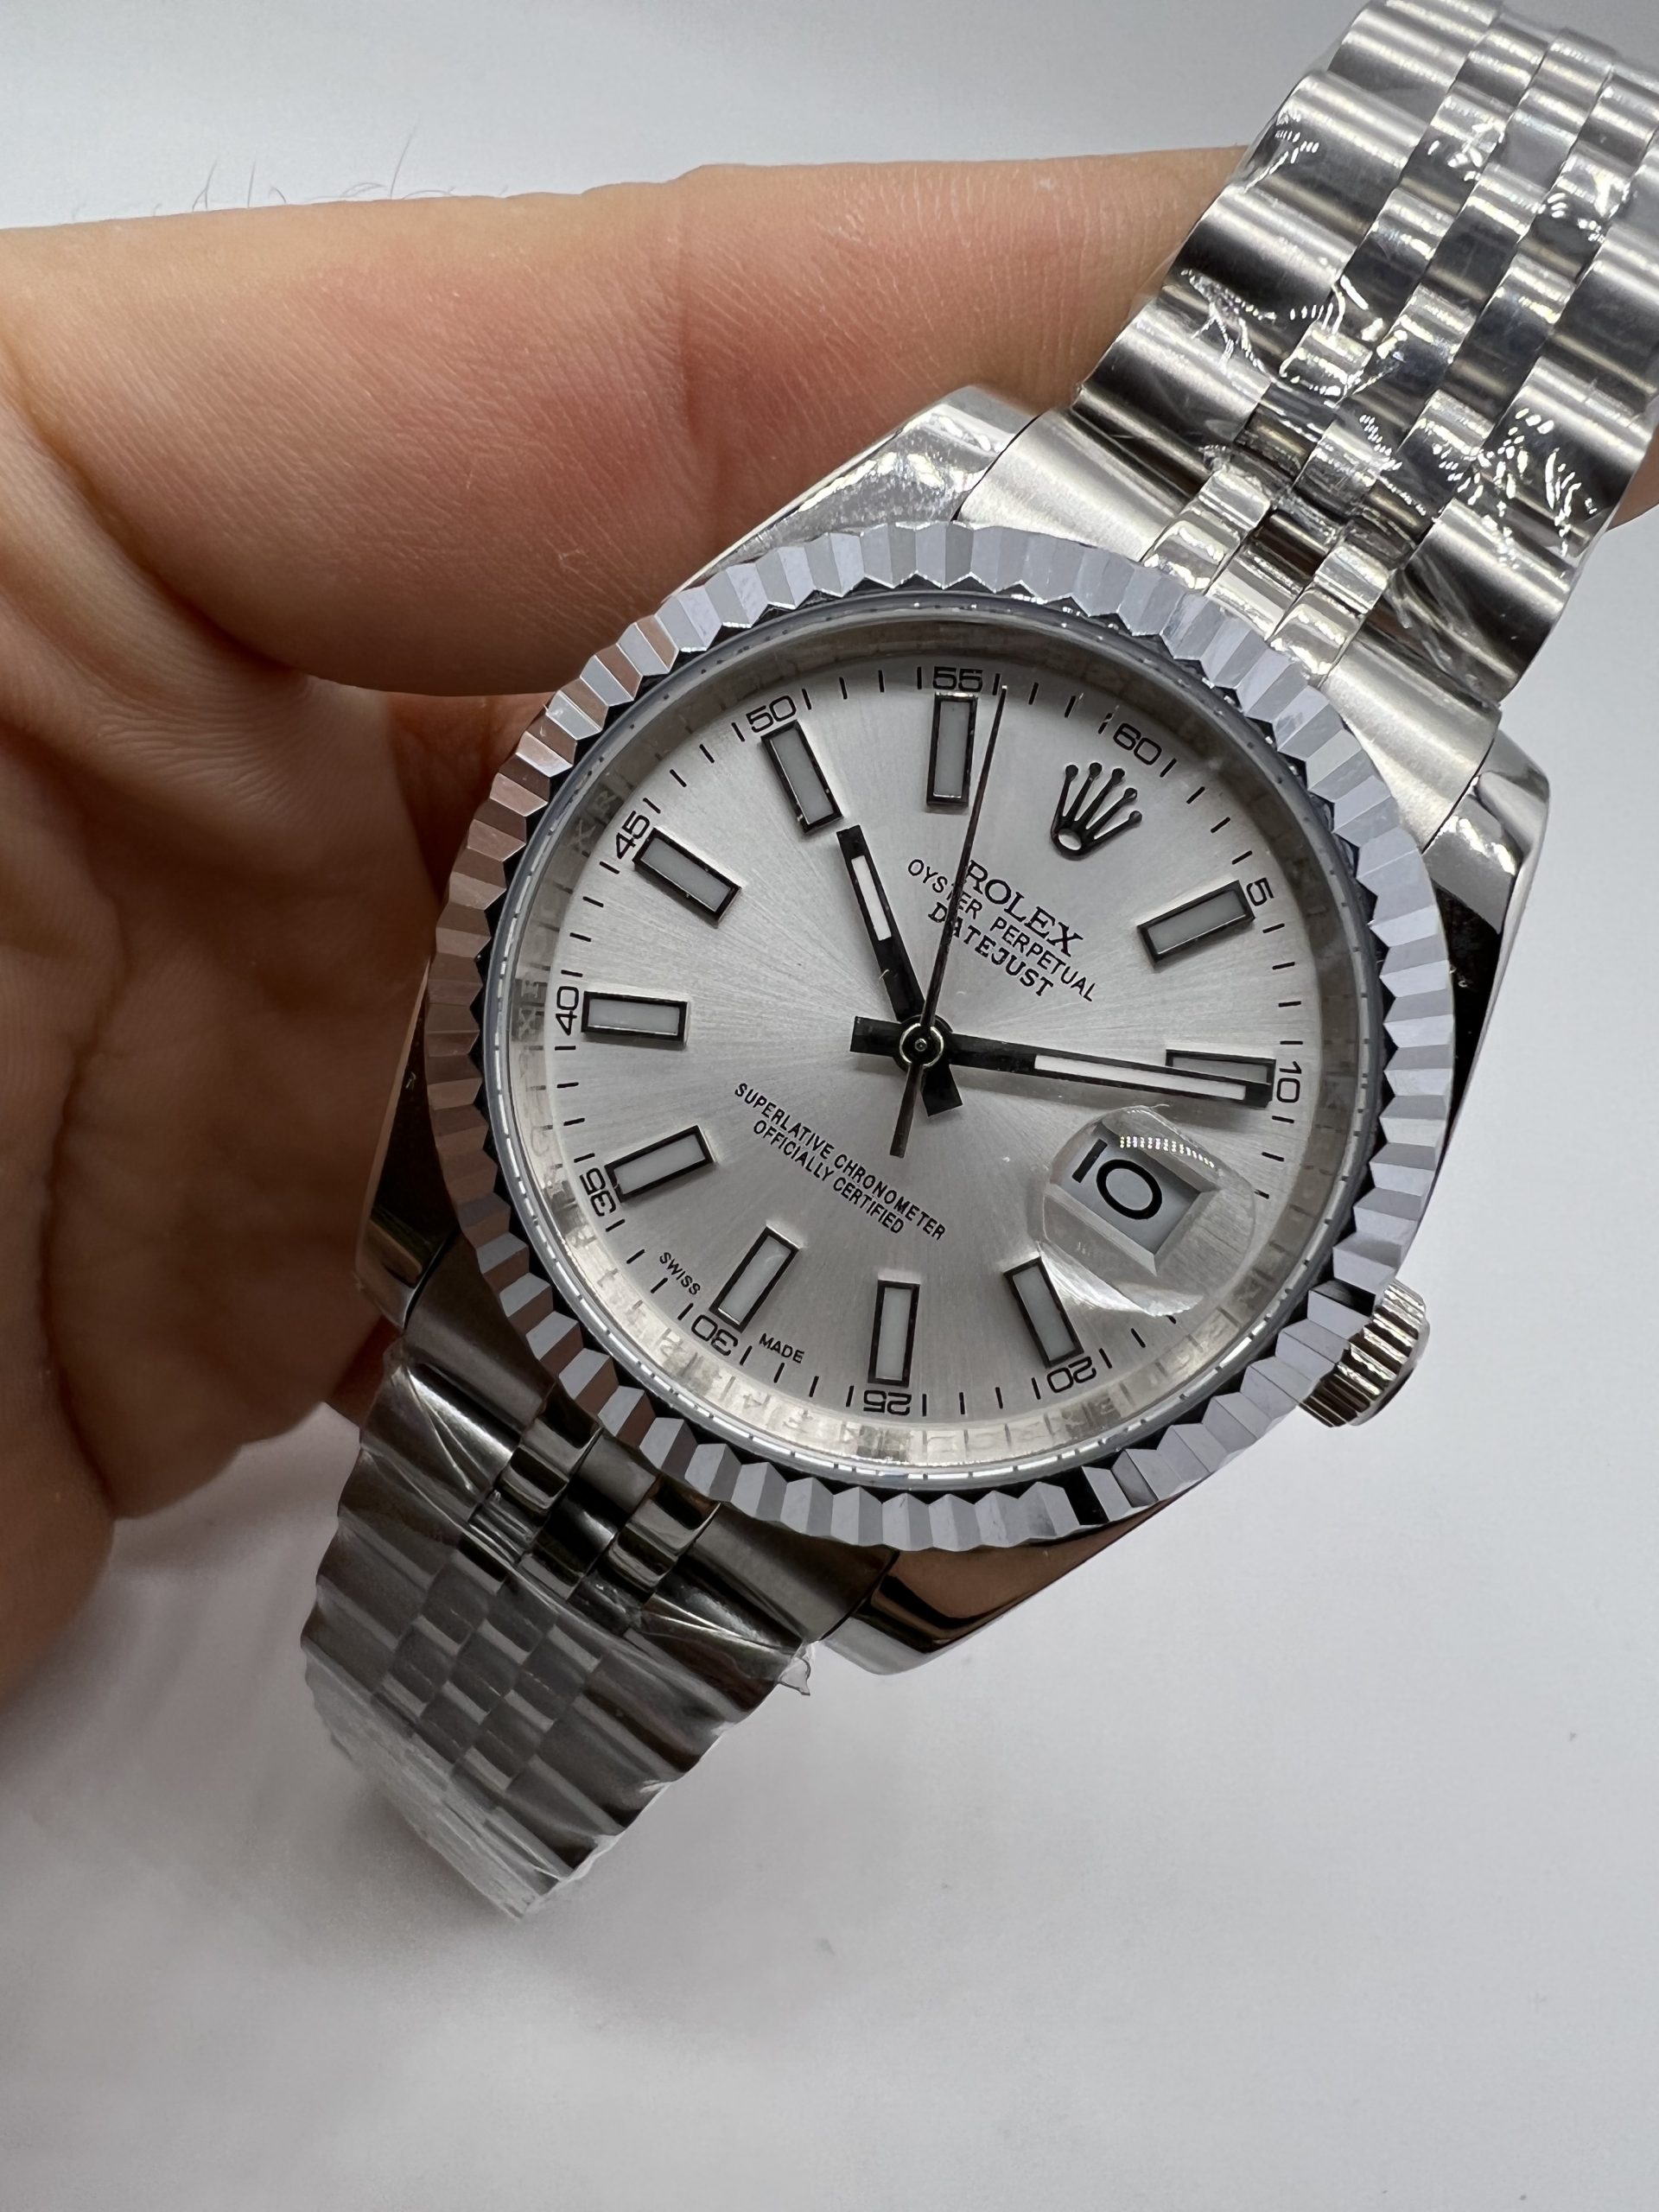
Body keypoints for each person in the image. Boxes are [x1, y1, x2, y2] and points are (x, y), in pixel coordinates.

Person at [1, 153, 1652, 1699]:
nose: (926, 1044)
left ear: (1324, 1325)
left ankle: (455, 1756)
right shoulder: (958, 498)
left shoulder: (1436, 850)